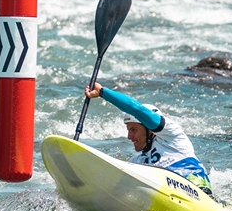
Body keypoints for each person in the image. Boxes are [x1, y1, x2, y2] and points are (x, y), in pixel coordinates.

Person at [84, 82, 214, 197]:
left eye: (134, 130)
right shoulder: (137, 162)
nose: (129, 137)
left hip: (199, 194)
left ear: (150, 129)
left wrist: (102, 92)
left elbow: (137, 109)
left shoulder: (174, 137)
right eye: (128, 130)